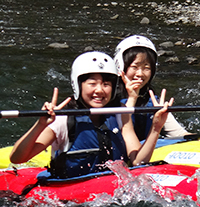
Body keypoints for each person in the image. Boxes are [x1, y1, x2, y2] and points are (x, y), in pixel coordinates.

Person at [10, 51, 171, 178]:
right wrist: (41, 124)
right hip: (71, 198)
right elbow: (17, 158)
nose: (100, 90)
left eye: (106, 84)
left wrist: (156, 128)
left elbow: (138, 161)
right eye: (92, 83)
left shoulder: (119, 113)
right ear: (78, 85)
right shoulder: (63, 119)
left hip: (110, 195)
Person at [114, 35, 190, 141]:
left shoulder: (153, 101)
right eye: (134, 67)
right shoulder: (110, 99)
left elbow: (178, 133)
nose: (140, 74)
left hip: (145, 153)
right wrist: (132, 98)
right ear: (121, 67)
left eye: (146, 68)